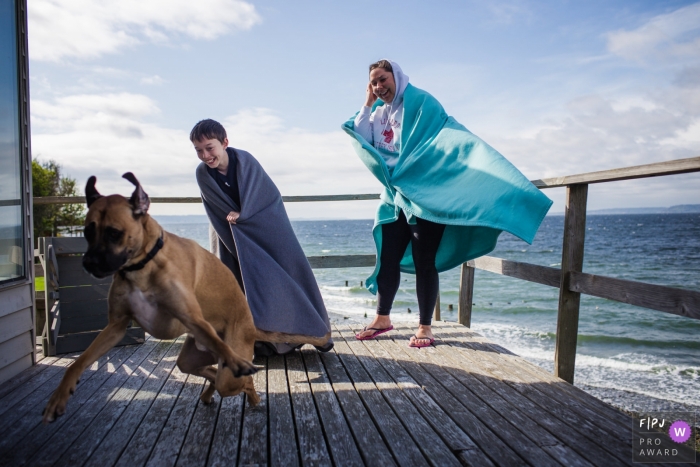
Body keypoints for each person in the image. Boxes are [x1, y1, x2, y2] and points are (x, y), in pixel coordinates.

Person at [343, 60, 553, 348]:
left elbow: (449, 139)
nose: (380, 87)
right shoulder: (378, 114)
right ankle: (382, 318)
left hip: (427, 196)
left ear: (397, 77)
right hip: (394, 197)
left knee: (424, 262)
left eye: (383, 79)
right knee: (388, 257)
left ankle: (425, 328)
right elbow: (361, 137)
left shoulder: (422, 103)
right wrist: (367, 103)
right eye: (374, 82)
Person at [191, 119, 332, 355]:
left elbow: (267, 196)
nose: (205, 155)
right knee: (240, 285)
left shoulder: (245, 161)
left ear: (225, 142)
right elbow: (216, 208)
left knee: (282, 278)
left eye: (209, 147)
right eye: (199, 150)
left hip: (265, 228)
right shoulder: (202, 174)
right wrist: (235, 218)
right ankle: (257, 343)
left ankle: (297, 336)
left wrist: (245, 214)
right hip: (229, 236)